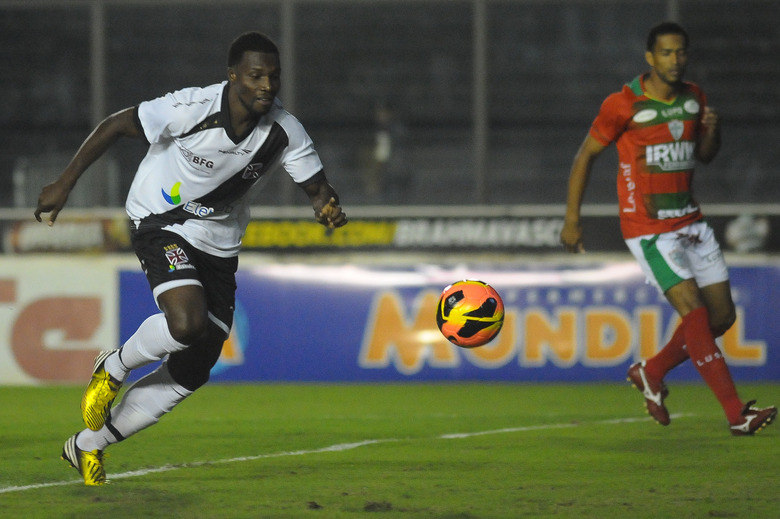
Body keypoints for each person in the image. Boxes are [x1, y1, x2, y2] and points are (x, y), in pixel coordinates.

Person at [34, 32, 347, 485]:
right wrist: (64, 183)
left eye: (273, 77)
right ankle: (115, 364)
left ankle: (86, 445)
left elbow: (319, 190)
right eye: (256, 75)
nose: (266, 85)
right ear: (233, 75)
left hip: (219, 244)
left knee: (194, 368)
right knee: (186, 323)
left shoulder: (285, 132)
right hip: (159, 218)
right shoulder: (191, 108)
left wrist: (328, 208)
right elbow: (118, 124)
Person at [560, 22, 775, 436]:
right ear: (649, 58)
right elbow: (584, 156)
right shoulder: (623, 105)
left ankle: (651, 370)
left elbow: (705, 156)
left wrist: (714, 131)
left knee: (722, 317)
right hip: (648, 227)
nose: (675, 60)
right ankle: (736, 414)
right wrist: (572, 220)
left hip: (691, 222)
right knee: (693, 312)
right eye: (666, 53)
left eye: (681, 53)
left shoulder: (694, 99)